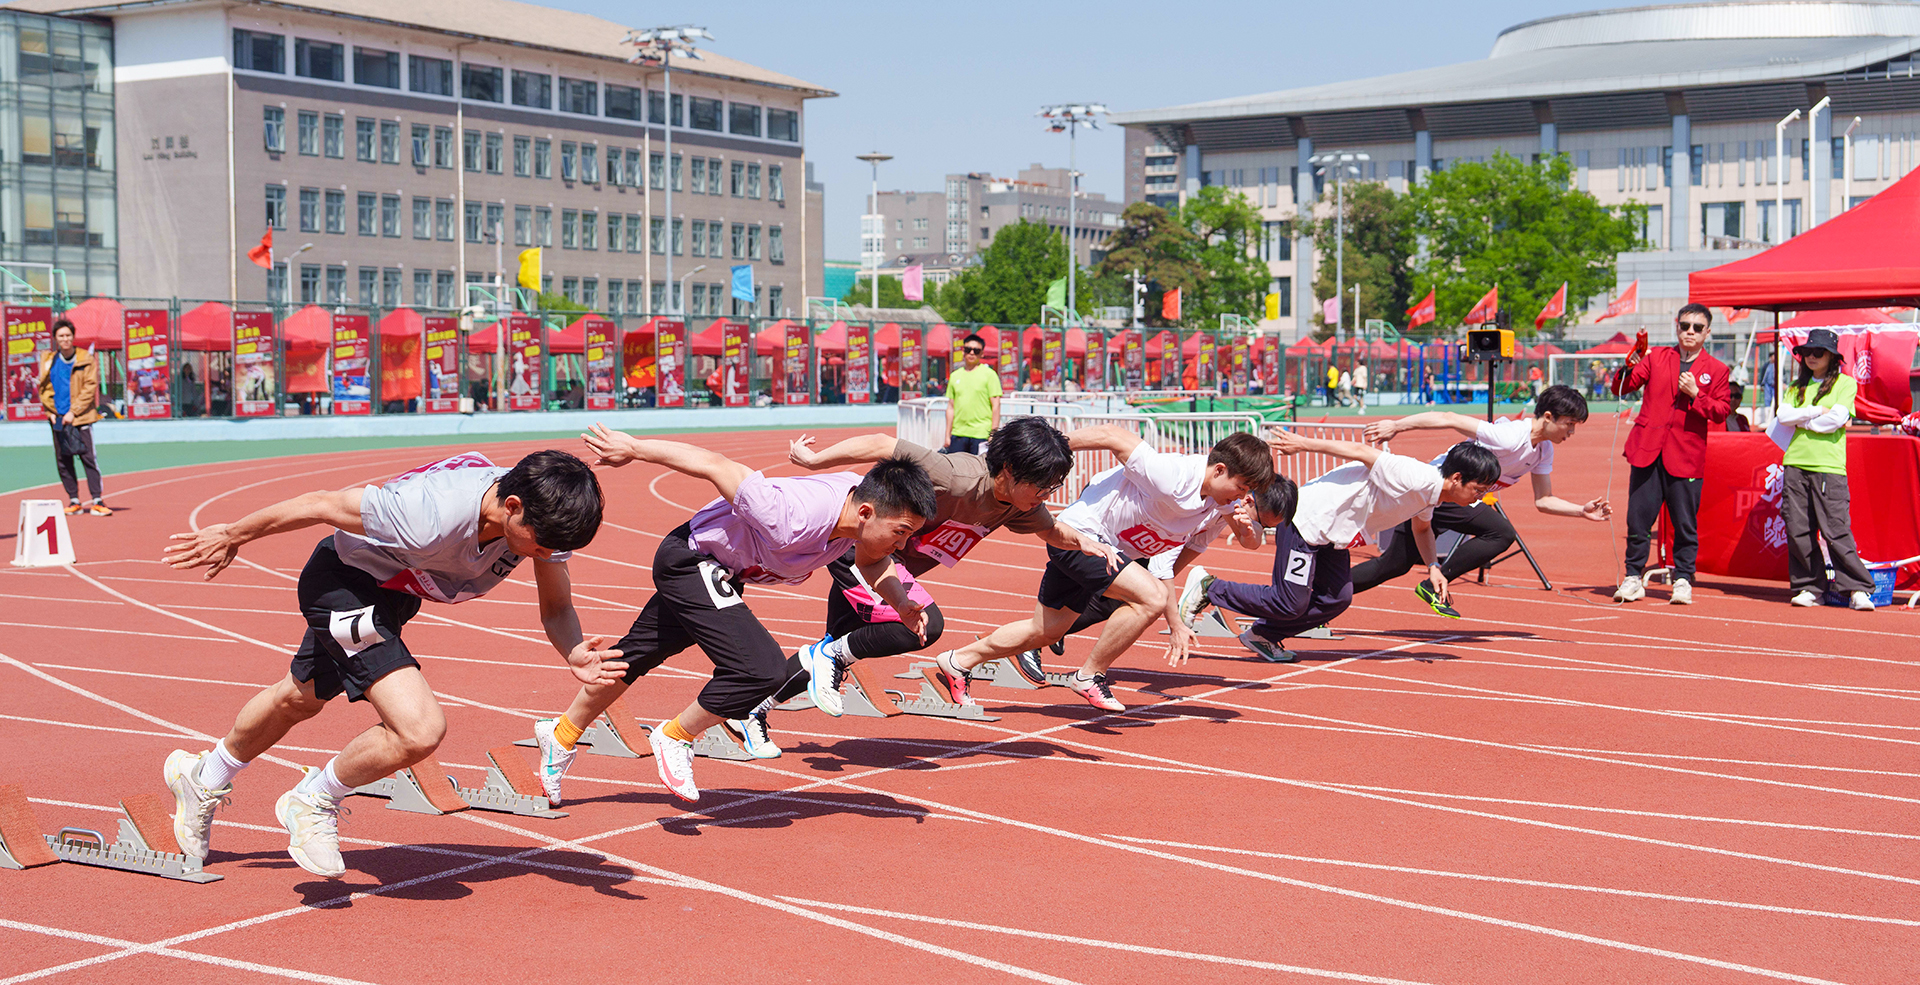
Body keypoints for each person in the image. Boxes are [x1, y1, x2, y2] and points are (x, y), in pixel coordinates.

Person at [160, 451, 619, 878]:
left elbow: (557, 607)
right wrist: (232, 533)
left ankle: (203, 777)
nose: (546, 555)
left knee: (297, 700)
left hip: (393, 595)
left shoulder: (542, 523)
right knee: (418, 729)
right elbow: (320, 503)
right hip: (343, 585)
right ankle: (313, 800)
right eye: (541, 546)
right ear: (513, 506)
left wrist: (574, 650)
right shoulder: (427, 512)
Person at [533, 426, 934, 805]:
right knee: (761, 669)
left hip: (720, 571)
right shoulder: (791, 516)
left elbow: (873, 560)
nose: (902, 544)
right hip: (691, 560)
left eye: (908, 534)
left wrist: (899, 603)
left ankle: (562, 734)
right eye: (900, 532)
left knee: (636, 655)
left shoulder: (859, 516)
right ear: (865, 512)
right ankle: (675, 736)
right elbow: (715, 464)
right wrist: (634, 448)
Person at [749, 417, 1121, 748]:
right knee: (921, 625)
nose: (1046, 496)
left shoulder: (1019, 505)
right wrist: (814, 460)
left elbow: (1051, 530)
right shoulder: (956, 476)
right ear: (1009, 469)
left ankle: (747, 711)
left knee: (833, 653)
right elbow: (882, 443)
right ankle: (818, 663)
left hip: (886, 570)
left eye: (1051, 489)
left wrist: (1085, 541)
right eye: (1042, 486)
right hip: (863, 555)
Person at [931, 430, 1275, 712]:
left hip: (1109, 553)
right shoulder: (1173, 475)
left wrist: (1246, 528)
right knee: (1150, 597)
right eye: (1242, 487)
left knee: (1045, 631)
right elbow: (1114, 436)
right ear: (1217, 471)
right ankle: (1090, 675)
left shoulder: (1223, 505)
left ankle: (957, 660)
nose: (1242, 497)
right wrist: (1050, 448)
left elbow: (1250, 542)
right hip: (1080, 536)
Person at [1178, 431, 1500, 660]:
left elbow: (1423, 527)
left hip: (1336, 534)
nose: (1480, 496)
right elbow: (1363, 453)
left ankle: (1263, 635)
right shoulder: (1416, 476)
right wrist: (1304, 444)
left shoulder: (1430, 495)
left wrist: (1433, 568)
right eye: (1478, 488)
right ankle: (1210, 588)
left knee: (1338, 597)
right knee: (1290, 601)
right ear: (1456, 478)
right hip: (1309, 518)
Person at [1351, 385, 1612, 610]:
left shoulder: (1543, 451)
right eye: (1569, 424)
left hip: (1460, 501)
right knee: (1499, 533)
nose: (1572, 432)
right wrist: (1396, 425)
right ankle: (1323, 598)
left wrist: (1581, 510)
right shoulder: (1509, 437)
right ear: (1547, 417)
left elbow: (1543, 500)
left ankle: (1326, 598)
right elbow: (1449, 417)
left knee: (1394, 565)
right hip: (1436, 491)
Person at [1612, 304, 1731, 605]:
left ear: (1708, 332)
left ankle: (1683, 579)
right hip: (1647, 450)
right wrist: (1629, 364)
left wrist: (1696, 394)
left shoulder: (1717, 370)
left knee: (1684, 523)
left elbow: (1721, 412)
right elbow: (1624, 388)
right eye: (1685, 325)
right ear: (1677, 327)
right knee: (1638, 520)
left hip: (1686, 455)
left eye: (1697, 327)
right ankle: (1632, 577)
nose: (1690, 331)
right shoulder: (1657, 357)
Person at [1770, 329, 1874, 610]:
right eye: (1807, 352)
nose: (1811, 357)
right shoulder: (1795, 387)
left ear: (1831, 357)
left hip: (1829, 465)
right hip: (1794, 463)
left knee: (1835, 528)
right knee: (1798, 528)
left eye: (1819, 352)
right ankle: (1809, 587)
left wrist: (1802, 418)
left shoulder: (1845, 383)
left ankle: (1857, 588)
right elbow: (1783, 416)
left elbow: (1837, 419)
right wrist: (1815, 412)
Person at [37, 316, 109, 516]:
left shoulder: (85, 358)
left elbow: (89, 388)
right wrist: (51, 412)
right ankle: (74, 500)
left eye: (68, 335)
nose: (65, 339)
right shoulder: (49, 360)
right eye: (61, 336)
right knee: (63, 459)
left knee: (88, 458)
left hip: (81, 417)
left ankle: (97, 500)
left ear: (73, 337)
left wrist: (73, 412)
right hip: (57, 419)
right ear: (55, 339)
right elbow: (43, 388)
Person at [944, 333, 1001, 454]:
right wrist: (947, 435)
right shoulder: (955, 376)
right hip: (958, 433)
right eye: (968, 349)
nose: (971, 353)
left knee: (979, 471)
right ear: (963, 351)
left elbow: (996, 406)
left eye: (976, 350)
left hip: (981, 434)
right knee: (956, 471)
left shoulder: (989, 375)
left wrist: (993, 434)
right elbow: (950, 407)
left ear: (982, 353)